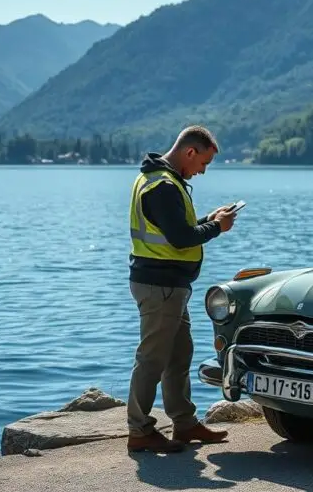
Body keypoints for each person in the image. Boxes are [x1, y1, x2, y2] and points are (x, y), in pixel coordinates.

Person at [126, 125, 237, 453]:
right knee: (152, 359)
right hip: (159, 286)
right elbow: (181, 238)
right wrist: (217, 227)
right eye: (204, 163)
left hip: (167, 285)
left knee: (178, 355)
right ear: (190, 152)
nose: (202, 171)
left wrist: (209, 218)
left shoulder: (160, 179)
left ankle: (184, 424)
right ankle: (139, 429)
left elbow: (177, 228)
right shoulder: (162, 186)